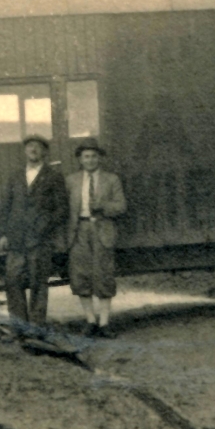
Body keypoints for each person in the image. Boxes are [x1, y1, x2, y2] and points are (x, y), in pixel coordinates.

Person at [0, 135, 68, 337]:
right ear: (25, 151)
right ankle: (19, 328)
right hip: (16, 239)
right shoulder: (16, 176)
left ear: (44, 152)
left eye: (38, 147)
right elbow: (6, 206)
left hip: (40, 240)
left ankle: (36, 328)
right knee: (13, 281)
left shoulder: (53, 176)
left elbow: (62, 209)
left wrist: (45, 225)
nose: (33, 150)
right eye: (30, 146)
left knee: (38, 283)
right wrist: (3, 234)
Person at [65, 138, 126, 339]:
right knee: (81, 275)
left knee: (104, 275)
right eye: (86, 157)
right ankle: (90, 321)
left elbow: (121, 206)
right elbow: (64, 208)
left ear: (99, 158)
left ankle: (104, 323)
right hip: (79, 231)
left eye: (93, 156)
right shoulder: (71, 181)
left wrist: (103, 207)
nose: (90, 160)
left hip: (102, 229)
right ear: (80, 159)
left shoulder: (111, 179)